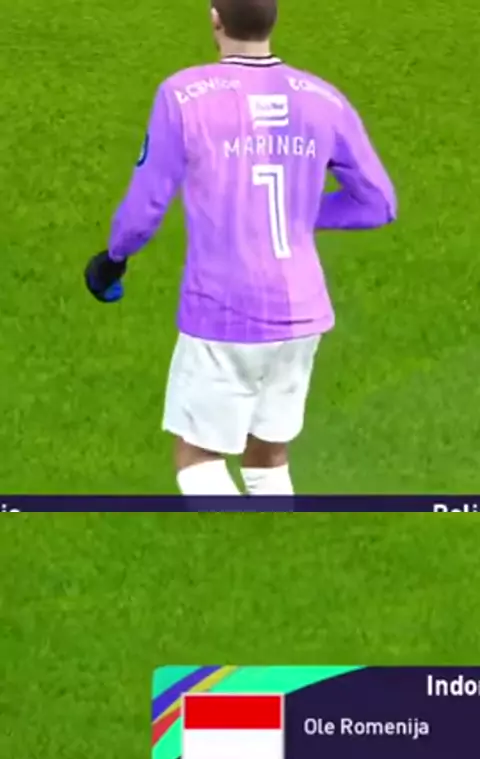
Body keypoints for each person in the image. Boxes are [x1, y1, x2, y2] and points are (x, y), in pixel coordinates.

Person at [85, 0, 397, 496]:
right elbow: (378, 203)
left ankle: (226, 544)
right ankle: (279, 544)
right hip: (303, 313)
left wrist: (112, 261)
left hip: (223, 309)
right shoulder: (324, 99)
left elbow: (145, 207)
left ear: (215, 18)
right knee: (268, 459)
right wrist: (297, 212)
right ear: (274, 19)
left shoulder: (183, 95)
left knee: (198, 460)